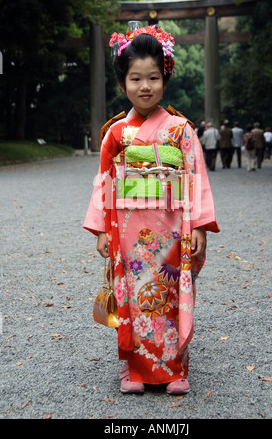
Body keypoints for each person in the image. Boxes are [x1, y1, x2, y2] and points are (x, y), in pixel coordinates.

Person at [83, 23, 220, 396]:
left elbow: (197, 177)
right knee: (130, 293)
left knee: (170, 292)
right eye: (135, 79)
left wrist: (200, 225)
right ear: (123, 83)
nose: (145, 87)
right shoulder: (115, 133)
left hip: (172, 225)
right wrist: (99, 229)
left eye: (154, 78)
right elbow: (103, 180)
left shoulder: (181, 129)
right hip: (127, 226)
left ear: (166, 77)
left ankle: (175, 368)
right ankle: (134, 367)